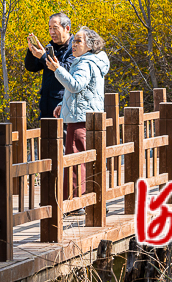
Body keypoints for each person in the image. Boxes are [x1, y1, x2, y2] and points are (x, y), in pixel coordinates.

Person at [45, 26, 109, 211]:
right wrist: (62, 105)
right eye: (74, 40)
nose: (74, 44)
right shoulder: (95, 61)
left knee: (74, 161)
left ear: (89, 45)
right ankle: (93, 201)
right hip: (91, 117)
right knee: (90, 160)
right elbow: (84, 90)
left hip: (78, 119)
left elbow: (75, 85)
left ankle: (74, 204)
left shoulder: (84, 63)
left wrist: (57, 69)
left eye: (79, 41)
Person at [24, 13, 75, 120]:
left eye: (55, 28)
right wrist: (31, 51)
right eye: (50, 28)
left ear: (67, 28)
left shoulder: (75, 48)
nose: (52, 32)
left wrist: (43, 56)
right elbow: (31, 67)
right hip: (46, 108)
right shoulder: (50, 47)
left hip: (64, 109)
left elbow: (66, 70)